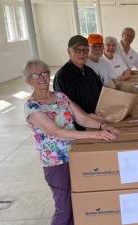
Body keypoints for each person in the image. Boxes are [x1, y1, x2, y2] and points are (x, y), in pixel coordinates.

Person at [23, 59, 119, 225]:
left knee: (80, 202)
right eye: (35, 74)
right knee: (65, 208)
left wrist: (102, 125)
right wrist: (93, 136)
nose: (41, 77)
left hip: (76, 157)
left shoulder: (60, 97)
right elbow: (55, 131)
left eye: (44, 72)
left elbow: (82, 118)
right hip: (57, 164)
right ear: (29, 80)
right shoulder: (32, 106)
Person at [53, 35, 103, 130]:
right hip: (77, 128)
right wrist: (88, 117)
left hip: (96, 122)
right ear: (69, 51)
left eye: (85, 50)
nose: (82, 54)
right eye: (77, 50)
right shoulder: (62, 76)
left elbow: (102, 94)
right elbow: (66, 106)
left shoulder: (90, 72)